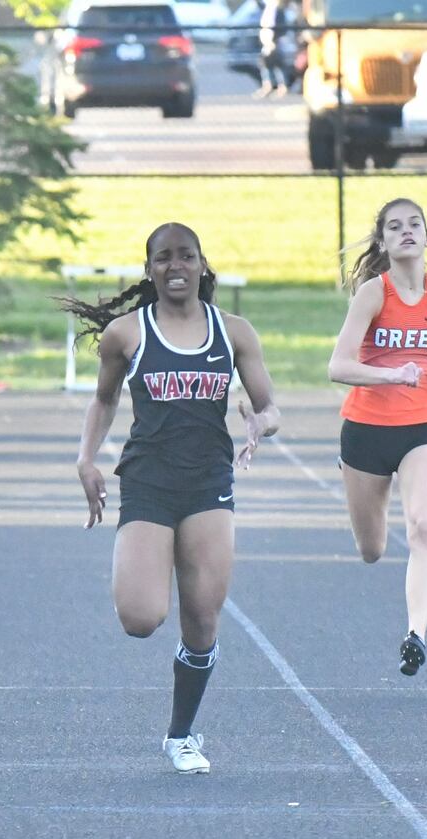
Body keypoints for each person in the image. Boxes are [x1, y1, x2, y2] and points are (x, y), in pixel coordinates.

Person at [67, 222, 280, 774]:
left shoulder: (233, 332)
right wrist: (86, 458)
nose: (175, 266)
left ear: (202, 264)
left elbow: (269, 406)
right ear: (149, 270)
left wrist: (259, 423)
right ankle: (141, 566)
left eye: (186, 256)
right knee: (139, 618)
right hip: (149, 482)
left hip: (209, 485)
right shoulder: (127, 334)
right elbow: (104, 400)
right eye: (164, 258)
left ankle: (182, 735)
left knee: (202, 623)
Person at [328, 198, 427, 676]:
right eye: (395, 226)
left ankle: (416, 634)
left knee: (423, 524)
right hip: (366, 433)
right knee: (372, 550)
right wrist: (392, 375)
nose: (406, 231)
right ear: (385, 242)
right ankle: (349, 472)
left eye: (415, 224)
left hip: (419, 431)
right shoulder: (374, 294)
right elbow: (338, 366)